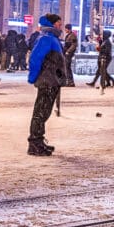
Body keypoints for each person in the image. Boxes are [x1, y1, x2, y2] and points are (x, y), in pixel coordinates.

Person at [26, 14, 65, 156]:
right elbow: (35, 59)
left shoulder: (51, 38)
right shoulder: (46, 39)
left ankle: (38, 140)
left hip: (51, 80)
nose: (60, 26)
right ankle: (34, 142)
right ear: (52, 24)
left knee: (44, 112)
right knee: (41, 112)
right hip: (47, 80)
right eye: (59, 24)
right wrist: (33, 77)